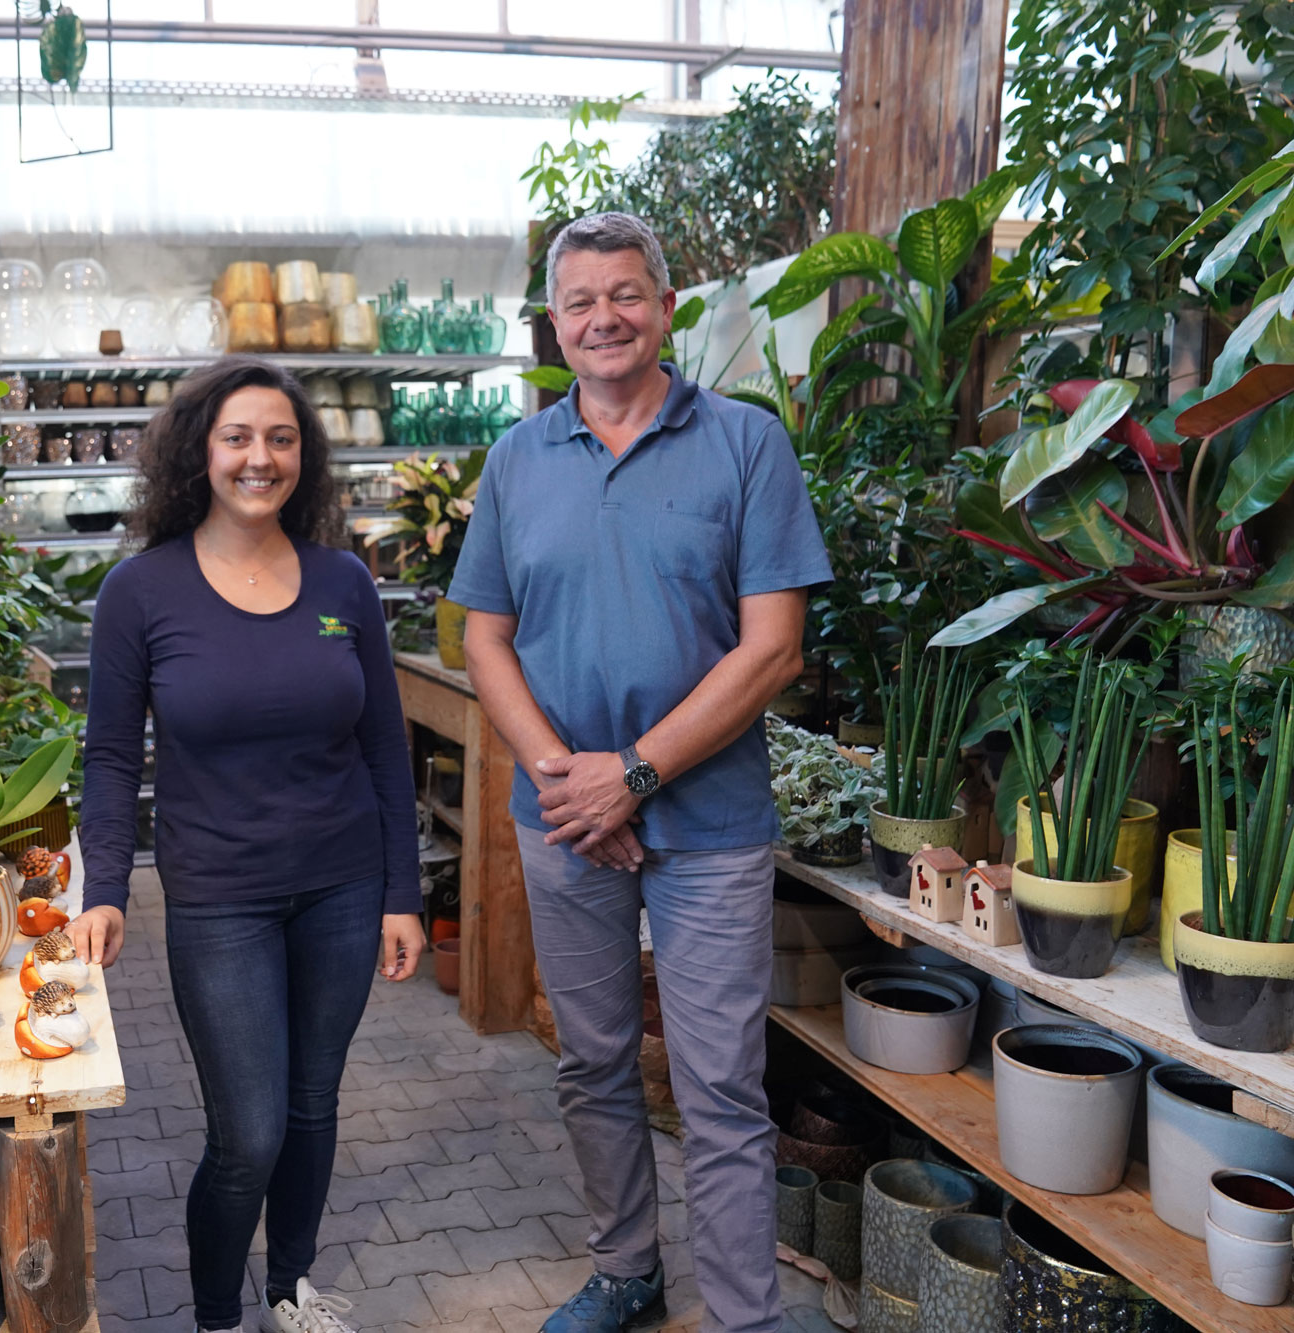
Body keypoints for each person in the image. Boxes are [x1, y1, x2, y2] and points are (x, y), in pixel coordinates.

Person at [447, 212, 831, 1333]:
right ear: (553, 325)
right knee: (594, 1063)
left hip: (708, 820)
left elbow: (773, 645)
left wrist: (639, 775)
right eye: (578, 302)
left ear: (666, 308)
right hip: (563, 814)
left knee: (717, 1085)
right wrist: (573, 780)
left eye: (624, 294)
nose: (602, 318)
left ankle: (741, 1312)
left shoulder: (746, 443)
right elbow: (483, 639)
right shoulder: (517, 459)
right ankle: (625, 1270)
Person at [70, 355, 427, 1333]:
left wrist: (402, 893)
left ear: (301, 457)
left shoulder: (342, 583)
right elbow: (107, 757)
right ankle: (220, 1314)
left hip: (343, 888)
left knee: (312, 1104)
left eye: (279, 437)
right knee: (249, 1131)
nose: (257, 457)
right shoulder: (140, 592)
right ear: (198, 452)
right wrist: (103, 884)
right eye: (236, 437)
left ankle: (290, 1290)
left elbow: (383, 752)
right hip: (218, 896)